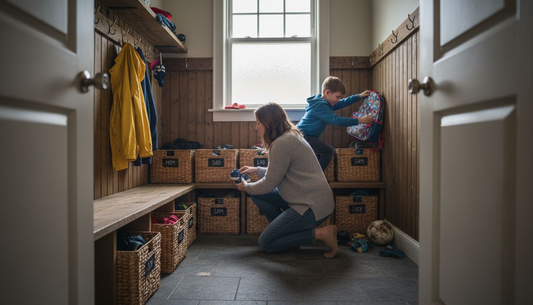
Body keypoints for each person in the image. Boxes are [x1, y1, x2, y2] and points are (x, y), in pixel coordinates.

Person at [235, 102, 339, 258]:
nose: (256, 127)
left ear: (269, 123)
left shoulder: (282, 143)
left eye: (258, 123)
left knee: (267, 243)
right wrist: (257, 170)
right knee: (258, 194)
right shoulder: (290, 136)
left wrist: (246, 187)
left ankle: (322, 233)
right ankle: (287, 235)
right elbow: (283, 172)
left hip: (311, 206)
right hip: (305, 199)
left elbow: (270, 183)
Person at [296, 76, 373, 171]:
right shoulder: (320, 106)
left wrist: (358, 96)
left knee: (324, 152)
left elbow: (343, 102)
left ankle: (314, 174)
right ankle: (316, 176)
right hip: (303, 136)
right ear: (327, 92)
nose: (338, 100)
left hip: (304, 135)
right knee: (329, 151)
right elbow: (336, 120)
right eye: (337, 97)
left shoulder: (325, 102)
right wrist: (359, 121)